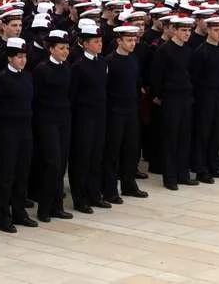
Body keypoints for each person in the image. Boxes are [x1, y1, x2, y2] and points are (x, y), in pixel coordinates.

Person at [0, 37, 38, 233]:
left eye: (24, 57)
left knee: (21, 173)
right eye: (19, 57)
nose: (22, 60)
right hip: (7, 132)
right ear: (10, 58)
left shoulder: (27, 76)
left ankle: (19, 212)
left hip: (25, 130)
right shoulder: (1, 79)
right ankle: (2, 216)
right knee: (5, 175)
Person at [150, 15, 196, 190]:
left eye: (188, 30)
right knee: (170, 138)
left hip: (185, 97)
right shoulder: (164, 50)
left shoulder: (188, 49)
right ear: (174, 31)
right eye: (183, 30)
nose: (186, 33)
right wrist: (159, 95)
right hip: (170, 98)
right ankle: (169, 177)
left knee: (184, 137)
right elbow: (157, 76)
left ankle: (183, 174)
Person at [103, 24, 147, 202]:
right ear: (119, 41)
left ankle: (129, 185)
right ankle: (110, 189)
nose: (132, 44)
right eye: (128, 40)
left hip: (131, 110)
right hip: (115, 111)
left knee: (131, 149)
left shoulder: (133, 59)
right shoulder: (110, 61)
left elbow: (136, 82)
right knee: (113, 152)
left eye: (134, 40)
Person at [33, 30, 72, 222]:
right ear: (51, 49)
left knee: (61, 163)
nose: (65, 52)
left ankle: (57, 206)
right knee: (52, 163)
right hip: (47, 121)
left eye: (67, 48)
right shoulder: (41, 69)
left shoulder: (66, 68)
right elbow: (36, 98)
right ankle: (44, 208)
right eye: (61, 48)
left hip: (63, 119)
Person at [68, 20, 108, 212]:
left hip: (99, 114)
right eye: (95, 41)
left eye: (100, 40)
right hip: (84, 117)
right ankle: (80, 197)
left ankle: (94, 193)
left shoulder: (102, 62)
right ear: (84, 43)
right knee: (82, 157)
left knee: (96, 156)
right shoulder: (78, 65)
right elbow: (73, 95)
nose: (99, 44)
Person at [191, 15, 219, 184]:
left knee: (216, 133)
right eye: (216, 30)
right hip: (204, 97)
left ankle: (215, 166)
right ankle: (201, 169)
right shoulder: (201, 51)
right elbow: (195, 76)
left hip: (217, 95)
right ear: (208, 30)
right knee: (203, 134)